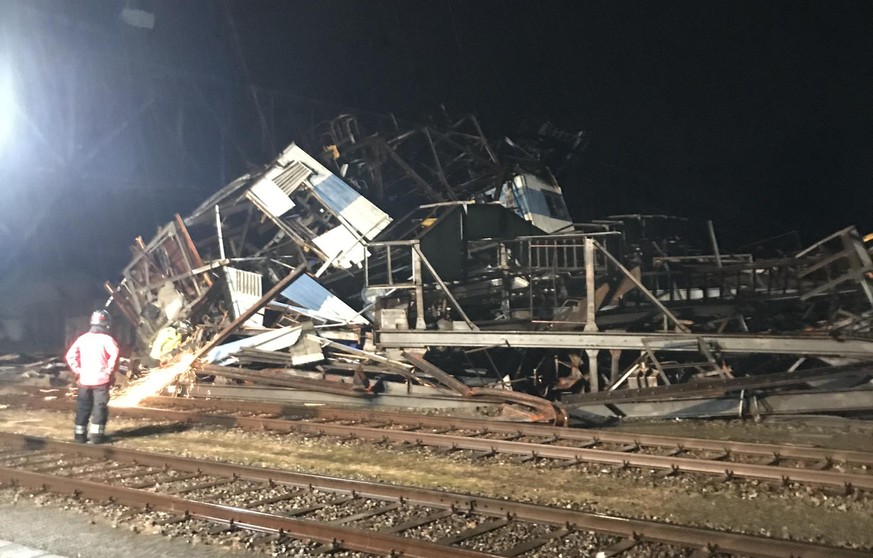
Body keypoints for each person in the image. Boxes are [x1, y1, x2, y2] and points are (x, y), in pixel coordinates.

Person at [65, 309, 120, 444]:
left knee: (83, 407)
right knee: (99, 407)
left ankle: (79, 435)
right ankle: (96, 437)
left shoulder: (82, 339)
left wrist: (78, 370)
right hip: (101, 380)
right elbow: (115, 355)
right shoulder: (107, 340)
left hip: (84, 380)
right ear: (106, 324)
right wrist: (109, 371)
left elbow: (70, 356)